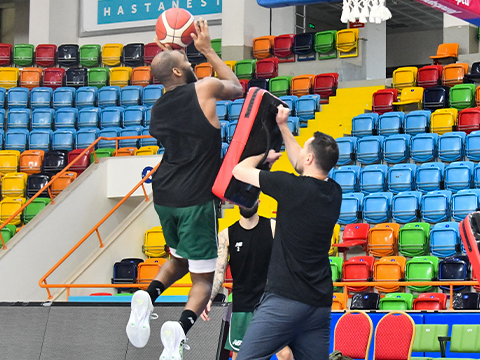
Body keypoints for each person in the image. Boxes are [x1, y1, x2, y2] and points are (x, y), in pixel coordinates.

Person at [125, 18, 243, 360]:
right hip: (195, 199)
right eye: (187, 63)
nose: (193, 64)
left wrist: (172, 58)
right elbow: (235, 87)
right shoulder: (203, 89)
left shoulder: (157, 110)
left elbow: (171, 79)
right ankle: (179, 332)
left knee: (176, 258)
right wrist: (206, 48)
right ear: (177, 73)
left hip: (164, 196)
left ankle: (147, 296)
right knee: (203, 284)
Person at [230, 105, 341, 360]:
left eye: (305, 149)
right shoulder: (334, 192)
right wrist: (282, 126)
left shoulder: (290, 186)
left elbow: (239, 171)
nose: (299, 151)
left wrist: (262, 155)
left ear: (310, 159)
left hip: (285, 301)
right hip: (319, 303)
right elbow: (300, 164)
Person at [200, 199, 293, 360]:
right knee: (239, 356)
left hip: (269, 302)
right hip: (241, 305)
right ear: (236, 203)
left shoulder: (273, 226)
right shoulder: (226, 234)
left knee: (284, 354)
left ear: (258, 200)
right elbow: (219, 272)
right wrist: (209, 297)